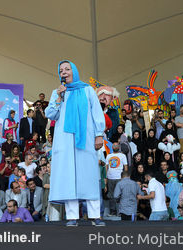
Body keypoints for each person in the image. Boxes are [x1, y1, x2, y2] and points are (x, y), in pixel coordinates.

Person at [45, 60, 106, 226]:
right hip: (64, 141)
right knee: (68, 176)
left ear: (74, 71)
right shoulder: (57, 92)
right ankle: (72, 217)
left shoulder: (87, 90)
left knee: (89, 175)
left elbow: (96, 113)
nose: (64, 72)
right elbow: (50, 114)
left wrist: (99, 134)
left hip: (85, 139)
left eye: (67, 69)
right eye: (61, 70)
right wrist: (58, 97)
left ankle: (95, 215)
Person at [106, 141, 128, 216]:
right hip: (110, 178)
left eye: (116, 145)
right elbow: (106, 167)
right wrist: (106, 177)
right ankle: (112, 211)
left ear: (118, 147)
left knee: (120, 194)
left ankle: (121, 211)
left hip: (119, 178)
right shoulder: (108, 156)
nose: (115, 147)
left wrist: (125, 177)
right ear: (112, 147)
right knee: (111, 195)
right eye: (114, 145)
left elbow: (126, 167)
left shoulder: (122, 156)